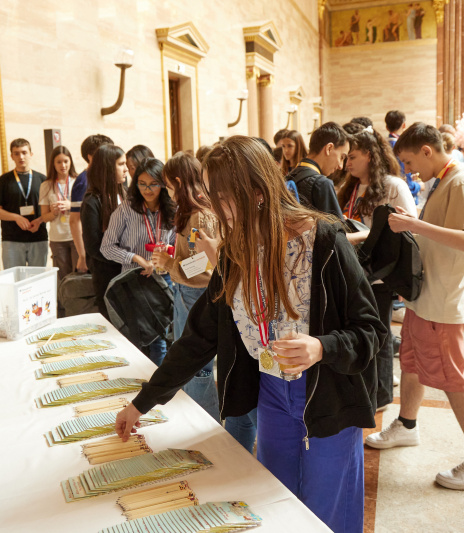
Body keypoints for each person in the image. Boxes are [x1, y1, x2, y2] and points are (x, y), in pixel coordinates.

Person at [115, 136, 384, 533]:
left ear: (257, 193)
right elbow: (198, 339)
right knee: (274, 506)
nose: (215, 208)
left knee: (326, 517)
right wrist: (142, 403)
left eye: (223, 198)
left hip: (328, 397)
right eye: (211, 194)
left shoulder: (323, 240)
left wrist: (321, 347)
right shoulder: (233, 252)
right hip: (272, 398)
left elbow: (370, 331)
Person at [366, 123, 464, 491]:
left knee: (453, 380)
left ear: (427, 150)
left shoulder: (460, 182)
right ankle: (407, 425)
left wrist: (414, 225)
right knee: (409, 361)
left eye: (410, 162)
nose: (409, 171)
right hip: (425, 295)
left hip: (443, 300)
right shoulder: (443, 180)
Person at [339, 128, 416, 411]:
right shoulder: (350, 187)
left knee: (381, 337)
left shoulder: (393, 186)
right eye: (346, 157)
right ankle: (366, 390)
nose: (347, 163)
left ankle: (382, 395)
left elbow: (408, 228)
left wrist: (360, 236)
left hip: (379, 275)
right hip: (354, 272)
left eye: (353, 157)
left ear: (370, 156)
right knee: (362, 335)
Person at [150, 152, 219, 420]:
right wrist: (173, 258)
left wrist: (170, 264)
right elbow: (193, 255)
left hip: (197, 293)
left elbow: (204, 262)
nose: (166, 191)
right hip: (186, 292)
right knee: (186, 358)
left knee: (197, 366)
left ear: (178, 181)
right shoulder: (191, 211)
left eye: (167, 185)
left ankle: (209, 423)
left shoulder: (201, 215)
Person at [101, 158, 176, 366]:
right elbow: (106, 247)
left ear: (163, 184)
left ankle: (155, 384)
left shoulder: (172, 209)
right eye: (142, 184)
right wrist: (135, 258)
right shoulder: (126, 210)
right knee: (134, 337)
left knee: (159, 337)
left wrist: (169, 255)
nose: (147, 189)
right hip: (133, 282)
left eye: (153, 184)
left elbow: (178, 244)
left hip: (163, 280)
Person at [80, 144, 127, 319]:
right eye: (121, 164)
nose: (126, 169)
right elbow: (93, 246)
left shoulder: (123, 192)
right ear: (108, 167)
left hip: (128, 270)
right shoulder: (93, 200)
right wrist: (123, 257)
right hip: (108, 274)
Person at [0, 138, 48, 269]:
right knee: (14, 280)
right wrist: (16, 217)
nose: (21, 157)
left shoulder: (42, 179)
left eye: (24, 152)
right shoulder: (3, 180)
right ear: (12, 156)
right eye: (16, 153)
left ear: (31, 154)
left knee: (38, 279)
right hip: (12, 239)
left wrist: (39, 221)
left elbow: (50, 209)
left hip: (38, 237)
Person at [286, 121, 350, 218]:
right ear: (329, 148)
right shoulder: (321, 183)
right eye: (342, 157)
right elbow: (336, 233)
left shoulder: (289, 177)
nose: (341, 166)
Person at [70, 134, 113, 273]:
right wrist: (82, 255)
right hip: (95, 252)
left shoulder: (108, 177)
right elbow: (74, 220)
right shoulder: (83, 181)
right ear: (90, 156)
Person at [38, 146, 78, 285]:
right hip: (57, 238)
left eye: (66, 161)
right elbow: (44, 217)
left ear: (71, 162)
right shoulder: (46, 185)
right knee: (63, 278)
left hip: (76, 236)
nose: (63, 165)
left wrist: (70, 206)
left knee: (79, 275)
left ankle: (79, 306)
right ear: (53, 164)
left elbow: (87, 208)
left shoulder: (78, 181)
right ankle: (62, 307)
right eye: (59, 162)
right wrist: (53, 212)